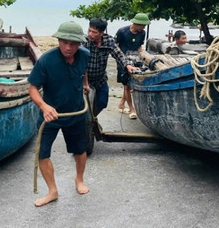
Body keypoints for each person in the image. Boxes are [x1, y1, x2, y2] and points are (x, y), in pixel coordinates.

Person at [28, 21, 91, 207]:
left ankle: (79, 180)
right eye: (64, 42)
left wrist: (85, 84)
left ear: (80, 43)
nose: (68, 47)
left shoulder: (85, 55)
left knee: (80, 150)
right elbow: (32, 89)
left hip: (76, 112)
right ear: (58, 40)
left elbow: (84, 71)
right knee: (42, 153)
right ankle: (52, 191)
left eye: (73, 43)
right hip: (50, 116)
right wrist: (44, 106)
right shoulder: (46, 60)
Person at [84, 18, 139, 117]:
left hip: (100, 79)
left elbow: (119, 54)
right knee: (84, 106)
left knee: (102, 102)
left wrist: (128, 65)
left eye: (94, 32)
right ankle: (86, 121)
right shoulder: (84, 42)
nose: (90, 34)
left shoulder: (108, 41)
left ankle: (91, 119)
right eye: (89, 31)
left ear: (101, 33)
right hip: (84, 79)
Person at [114, 13, 150, 119]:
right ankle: (132, 109)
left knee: (131, 84)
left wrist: (145, 56)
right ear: (136, 23)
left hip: (136, 59)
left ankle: (121, 103)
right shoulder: (122, 32)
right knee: (127, 84)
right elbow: (115, 46)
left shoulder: (142, 33)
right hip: (123, 59)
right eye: (143, 25)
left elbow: (139, 46)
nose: (144, 28)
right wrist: (123, 60)